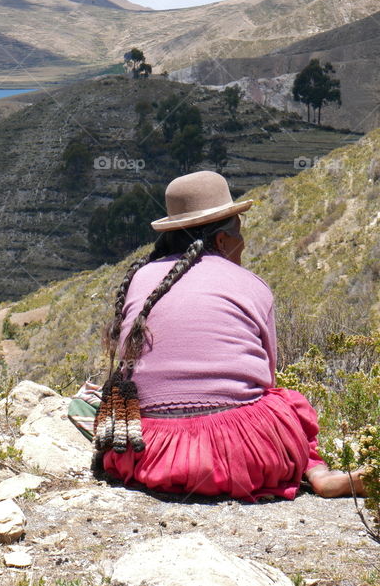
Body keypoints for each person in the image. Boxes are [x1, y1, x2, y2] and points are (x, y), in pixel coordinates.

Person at [92, 170, 365, 501]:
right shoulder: (251, 284)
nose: (243, 242)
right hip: (243, 457)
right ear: (221, 241)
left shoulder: (139, 278)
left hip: (147, 454)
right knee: (287, 402)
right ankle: (318, 473)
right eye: (239, 233)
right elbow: (266, 380)